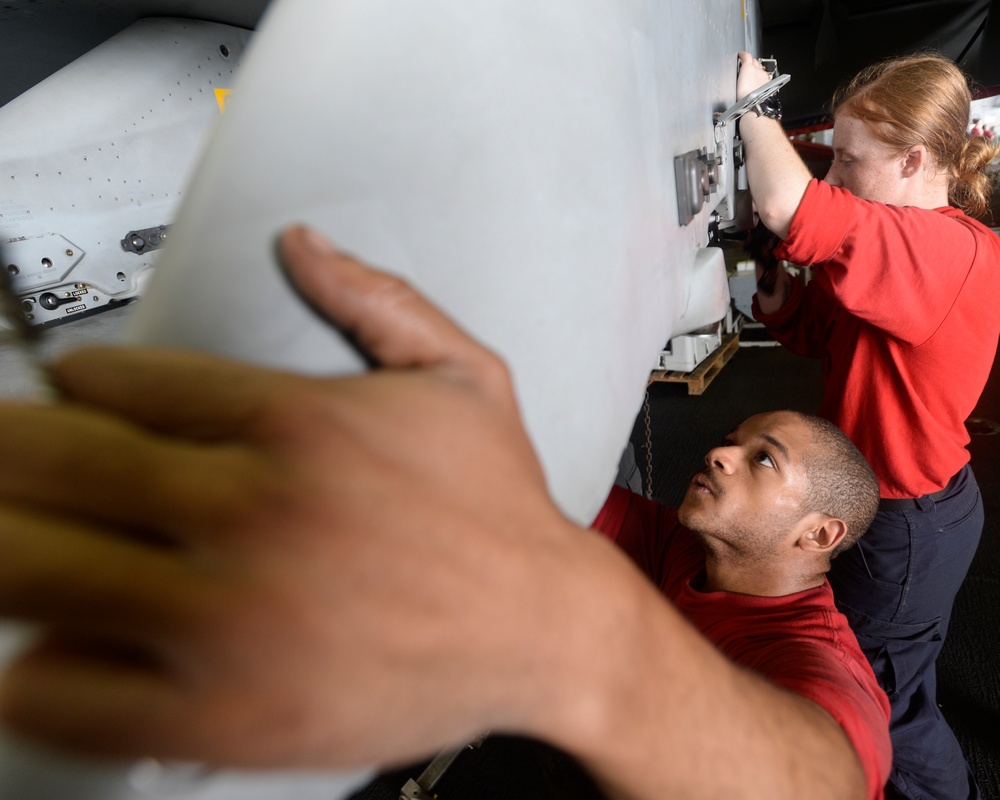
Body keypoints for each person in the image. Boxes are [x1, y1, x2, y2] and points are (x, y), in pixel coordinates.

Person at [0, 227, 891, 799]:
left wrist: (585, 655)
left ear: (819, 537)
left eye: (761, 459)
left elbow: (824, 778)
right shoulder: (680, 549)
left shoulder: (816, 657)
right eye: (732, 437)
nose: (720, 451)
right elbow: (533, 499)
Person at [736, 50, 1000, 799]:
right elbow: (817, 331)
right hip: (889, 506)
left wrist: (755, 109)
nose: (836, 175)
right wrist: (771, 270)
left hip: (908, 520)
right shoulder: (910, 250)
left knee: (883, 699)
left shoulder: (947, 249)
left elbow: (798, 207)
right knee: (881, 679)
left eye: (849, 160)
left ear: (915, 159)